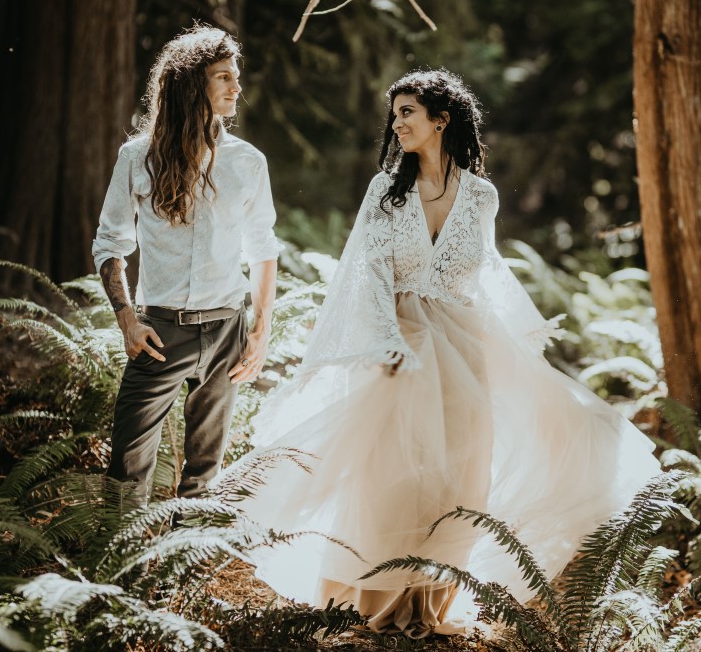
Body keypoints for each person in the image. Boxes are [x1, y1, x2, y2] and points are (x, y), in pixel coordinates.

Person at [239, 69, 661, 638]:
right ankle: (368, 598)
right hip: (398, 342)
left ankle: (428, 602)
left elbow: (485, 274)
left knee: (458, 476)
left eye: (407, 112)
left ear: (442, 119)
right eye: (395, 114)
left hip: (465, 345)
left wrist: (518, 341)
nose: (397, 123)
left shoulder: (481, 196)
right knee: (390, 473)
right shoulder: (383, 192)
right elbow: (364, 276)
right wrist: (386, 338)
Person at [92, 25, 279, 506]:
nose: (237, 87)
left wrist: (260, 332)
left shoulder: (248, 162)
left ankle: (181, 575)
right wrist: (126, 321)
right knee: (127, 470)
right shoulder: (138, 157)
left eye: (236, 76)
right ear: (192, 85)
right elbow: (110, 243)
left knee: (204, 472)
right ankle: (124, 577)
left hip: (225, 333)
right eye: (224, 77)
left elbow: (263, 249)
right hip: (158, 335)